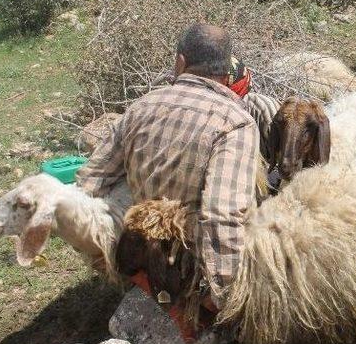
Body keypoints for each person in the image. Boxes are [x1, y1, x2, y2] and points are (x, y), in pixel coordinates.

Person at [76, 23, 259, 311]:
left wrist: (104, 254)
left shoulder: (141, 107)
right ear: (227, 70)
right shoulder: (235, 123)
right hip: (193, 268)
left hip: (141, 258)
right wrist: (225, 297)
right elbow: (222, 215)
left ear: (181, 61)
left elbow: (90, 182)